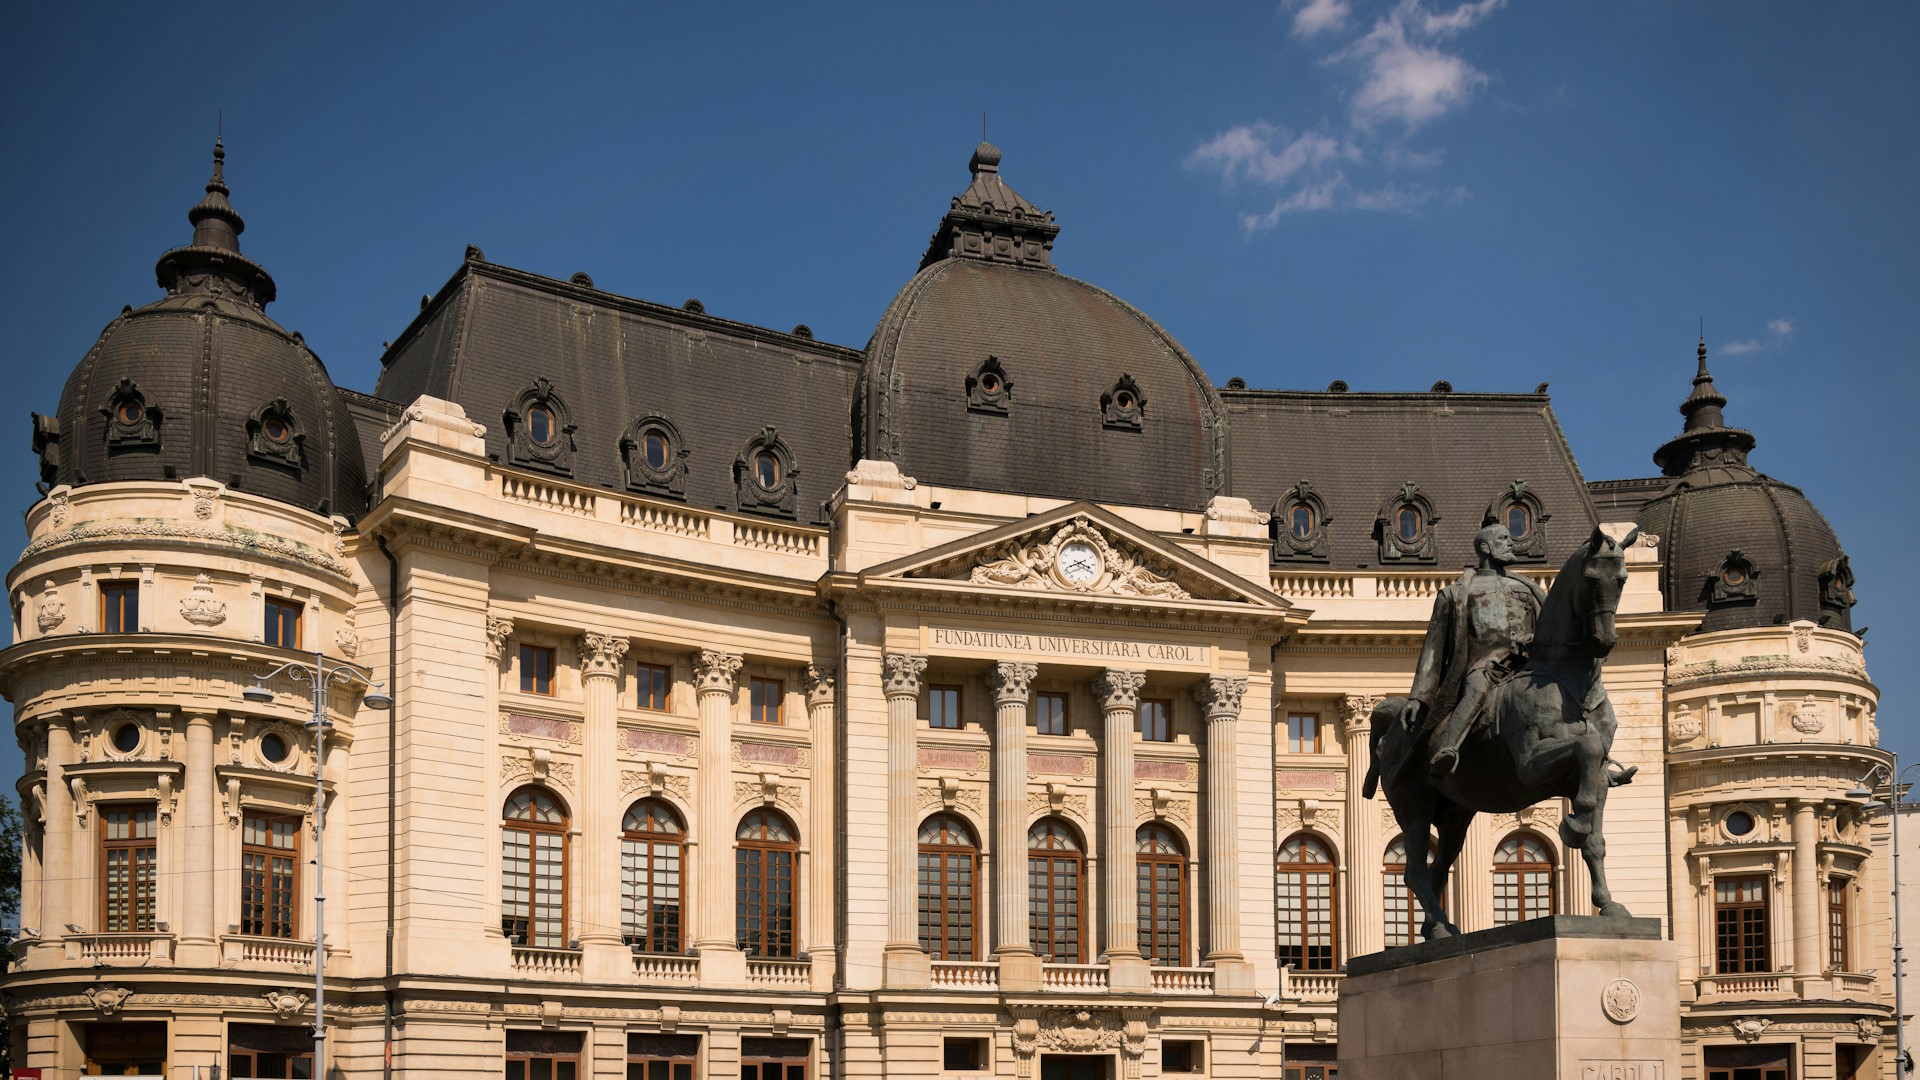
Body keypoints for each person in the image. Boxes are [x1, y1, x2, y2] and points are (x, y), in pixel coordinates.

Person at [1398, 523, 1547, 782]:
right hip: (1485, 665)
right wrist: (1418, 697)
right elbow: (1434, 648)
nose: (1511, 543)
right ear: (1486, 548)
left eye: (1510, 538)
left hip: (1526, 665)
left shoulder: (1527, 588)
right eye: (1503, 539)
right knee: (1476, 691)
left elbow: (1547, 628)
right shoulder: (1458, 593)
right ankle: (1447, 748)